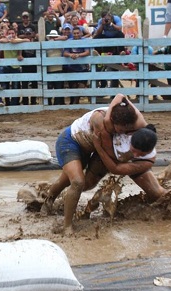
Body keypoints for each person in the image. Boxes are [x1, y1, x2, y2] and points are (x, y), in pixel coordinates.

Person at [42, 94, 151, 231]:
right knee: (77, 182)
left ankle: (57, 201)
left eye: (125, 130)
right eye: (120, 130)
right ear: (112, 120)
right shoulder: (101, 122)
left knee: (84, 184)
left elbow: (121, 96)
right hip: (70, 142)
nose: (122, 133)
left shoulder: (137, 121)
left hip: (91, 149)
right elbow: (112, 156)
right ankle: (66, 225)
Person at [63, 27, 90, 104]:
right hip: (72, 67)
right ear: (72, 33)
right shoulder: (69, 41)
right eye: (74, 33)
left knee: (81, 85)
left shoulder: (84, 41)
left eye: (78, 33)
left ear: (81, 33)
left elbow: (87, 52)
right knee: (73, 85)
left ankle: (76, 102)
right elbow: (65, 53)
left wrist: (78, 55)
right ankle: (73, 102)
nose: (76, 35)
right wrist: (70, 54)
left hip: (83, 67)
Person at [45, 30, 66, 106]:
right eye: (51, 37)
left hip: (58, 68)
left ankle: (57, 104)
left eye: (54, 37)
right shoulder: (46, 45)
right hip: (49, 69)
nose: (52, 38)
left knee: (58, 87)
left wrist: (55, 39)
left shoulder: (60, 44)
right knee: (49, 88)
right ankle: (49, 104)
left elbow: (65, 37)